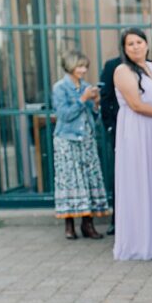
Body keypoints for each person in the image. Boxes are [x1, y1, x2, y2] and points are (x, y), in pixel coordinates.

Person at [112, 28, 152, 260]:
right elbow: (136, 105)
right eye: (131, 44)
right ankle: (140, 242)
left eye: (139, 42)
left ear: (147, 44)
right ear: (125, 49)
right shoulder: (123, 70)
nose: (136, 47)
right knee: (141, 181)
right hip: (138, 130)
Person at [51, 50, 109, 240]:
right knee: (69, 181)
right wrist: (83, 99)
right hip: (67, 140)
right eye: (80, 66)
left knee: (88, 180)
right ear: (70, 66)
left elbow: (93, 117)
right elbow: (64, 115)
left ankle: (87, 224)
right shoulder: (60, 88)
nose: (84, 70)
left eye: (85, 66)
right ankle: (69, 225)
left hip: (87, 140)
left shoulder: (85, 86)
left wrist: (95, 103)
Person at [98, 52, 122, 234]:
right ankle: (117, 219)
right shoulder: (112, 65)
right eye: (131, 43)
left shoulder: (150, 65)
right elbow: (105, 97)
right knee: (119, 175)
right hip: (119, 127)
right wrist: (110, 127)